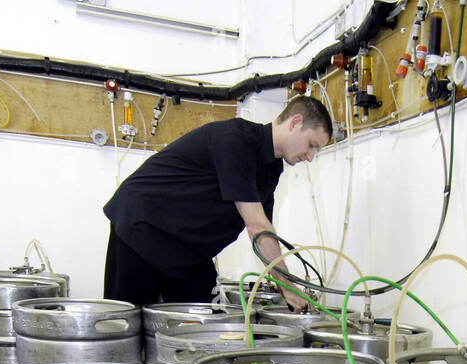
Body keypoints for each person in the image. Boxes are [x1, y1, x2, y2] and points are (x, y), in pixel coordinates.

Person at [101, 96, 332, 310]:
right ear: (295, 122)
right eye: (312, 145)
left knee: (203, 326)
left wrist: (286, 285)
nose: (311, 157)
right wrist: (289, 288)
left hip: (187, 250)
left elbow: (265, 237)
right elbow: (257, 227)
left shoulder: (271, 168)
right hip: (142, 228)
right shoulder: (236, 140)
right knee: (126, 325)